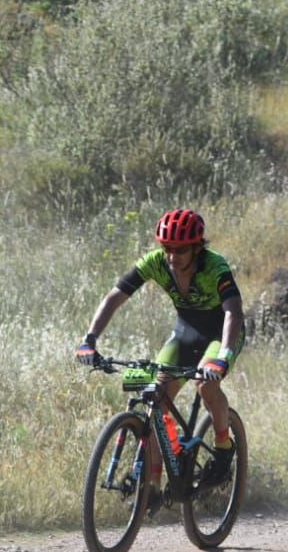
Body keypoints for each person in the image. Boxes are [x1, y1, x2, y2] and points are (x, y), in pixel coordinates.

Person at [76, 208, 244, 507]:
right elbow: (115, 296)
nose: (171, 256)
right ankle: (153, 485)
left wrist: (223, 358)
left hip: (222, 334)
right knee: (155, 396)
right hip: (186, 333)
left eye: (179, 250)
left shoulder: (214, 266)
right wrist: (90, 340)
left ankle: (222, 449)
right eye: (166, 248)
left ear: (196, 247)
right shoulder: (155, 263)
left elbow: (232, 311)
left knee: (205, 385)